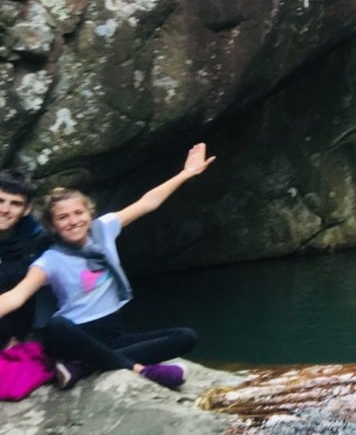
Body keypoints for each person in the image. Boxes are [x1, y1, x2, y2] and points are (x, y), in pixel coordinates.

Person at [0, 145, 214, 389]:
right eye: (63, 218)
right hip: (72, 336)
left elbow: (147, 203)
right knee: (56, 327)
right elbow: (17, 296)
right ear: (52, 226)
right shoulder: (50, 259)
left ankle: (84, 365)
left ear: (89, 213)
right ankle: (141, 369)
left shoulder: (104, 229)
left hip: (112, 333)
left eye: (78, 213)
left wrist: (186, 173)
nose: (73, 221)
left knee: (185, 337)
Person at [0, 172, 51, 348]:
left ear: (27, 209)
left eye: (15, 204)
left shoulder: (37, 240)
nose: (5, 210)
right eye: (0, 201)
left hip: (15, 331)